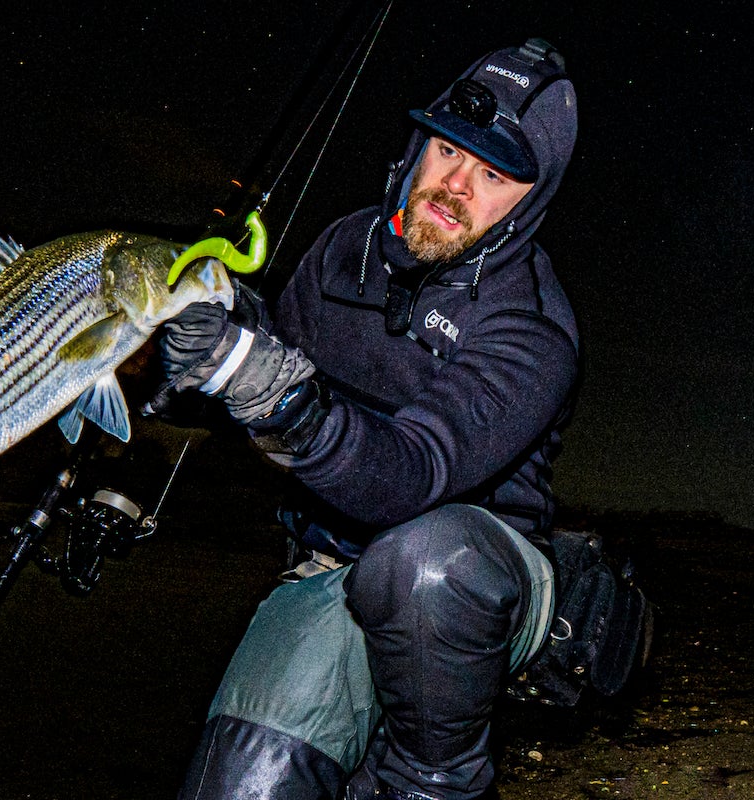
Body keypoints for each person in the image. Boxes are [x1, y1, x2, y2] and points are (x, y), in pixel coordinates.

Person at [152, 38, 580, 800]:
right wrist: (220, 338)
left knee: (423, 561)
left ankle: (437, 778)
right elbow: (268, 377)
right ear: (418, 145)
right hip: (334, 569)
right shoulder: (343, 248)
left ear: (531, 201)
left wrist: (276, 394)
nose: (454, 186)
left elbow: (410, 475)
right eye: (448, 150)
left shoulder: (534, 328)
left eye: (493, 175)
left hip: (480, 583)